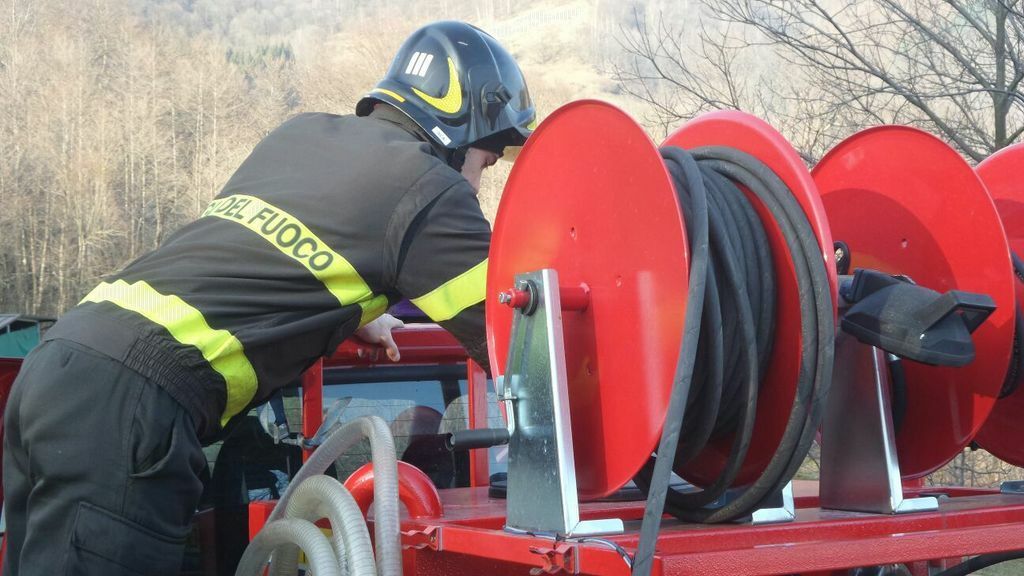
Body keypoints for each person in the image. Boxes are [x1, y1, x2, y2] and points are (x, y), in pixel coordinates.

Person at [2, 20, 534, 575]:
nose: (477, 186)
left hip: (59, 361)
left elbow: (258, 257)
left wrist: (349, 312)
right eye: (485, 163)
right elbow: (519, 338)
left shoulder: (300, 135)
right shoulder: (429, 189)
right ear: (459, 133)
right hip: (131, 404)